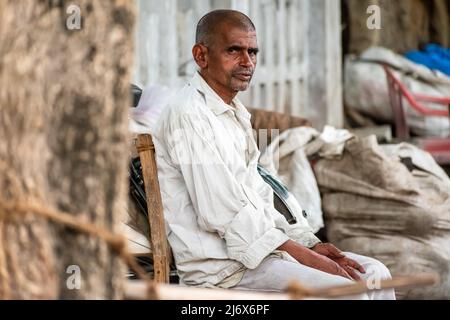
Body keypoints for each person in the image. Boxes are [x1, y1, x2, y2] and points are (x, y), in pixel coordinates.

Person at [153, 9, 395, 300]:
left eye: (252, 52)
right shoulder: (188, 113)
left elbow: (260, 195)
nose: (248, 62)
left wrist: (308, 244)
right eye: (234, 50)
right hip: (223, 270)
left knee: (376, 274)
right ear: (201, 56)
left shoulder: (235, 114)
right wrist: (303, 255)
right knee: (345, 290)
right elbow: (222, 212)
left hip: (264, 254)